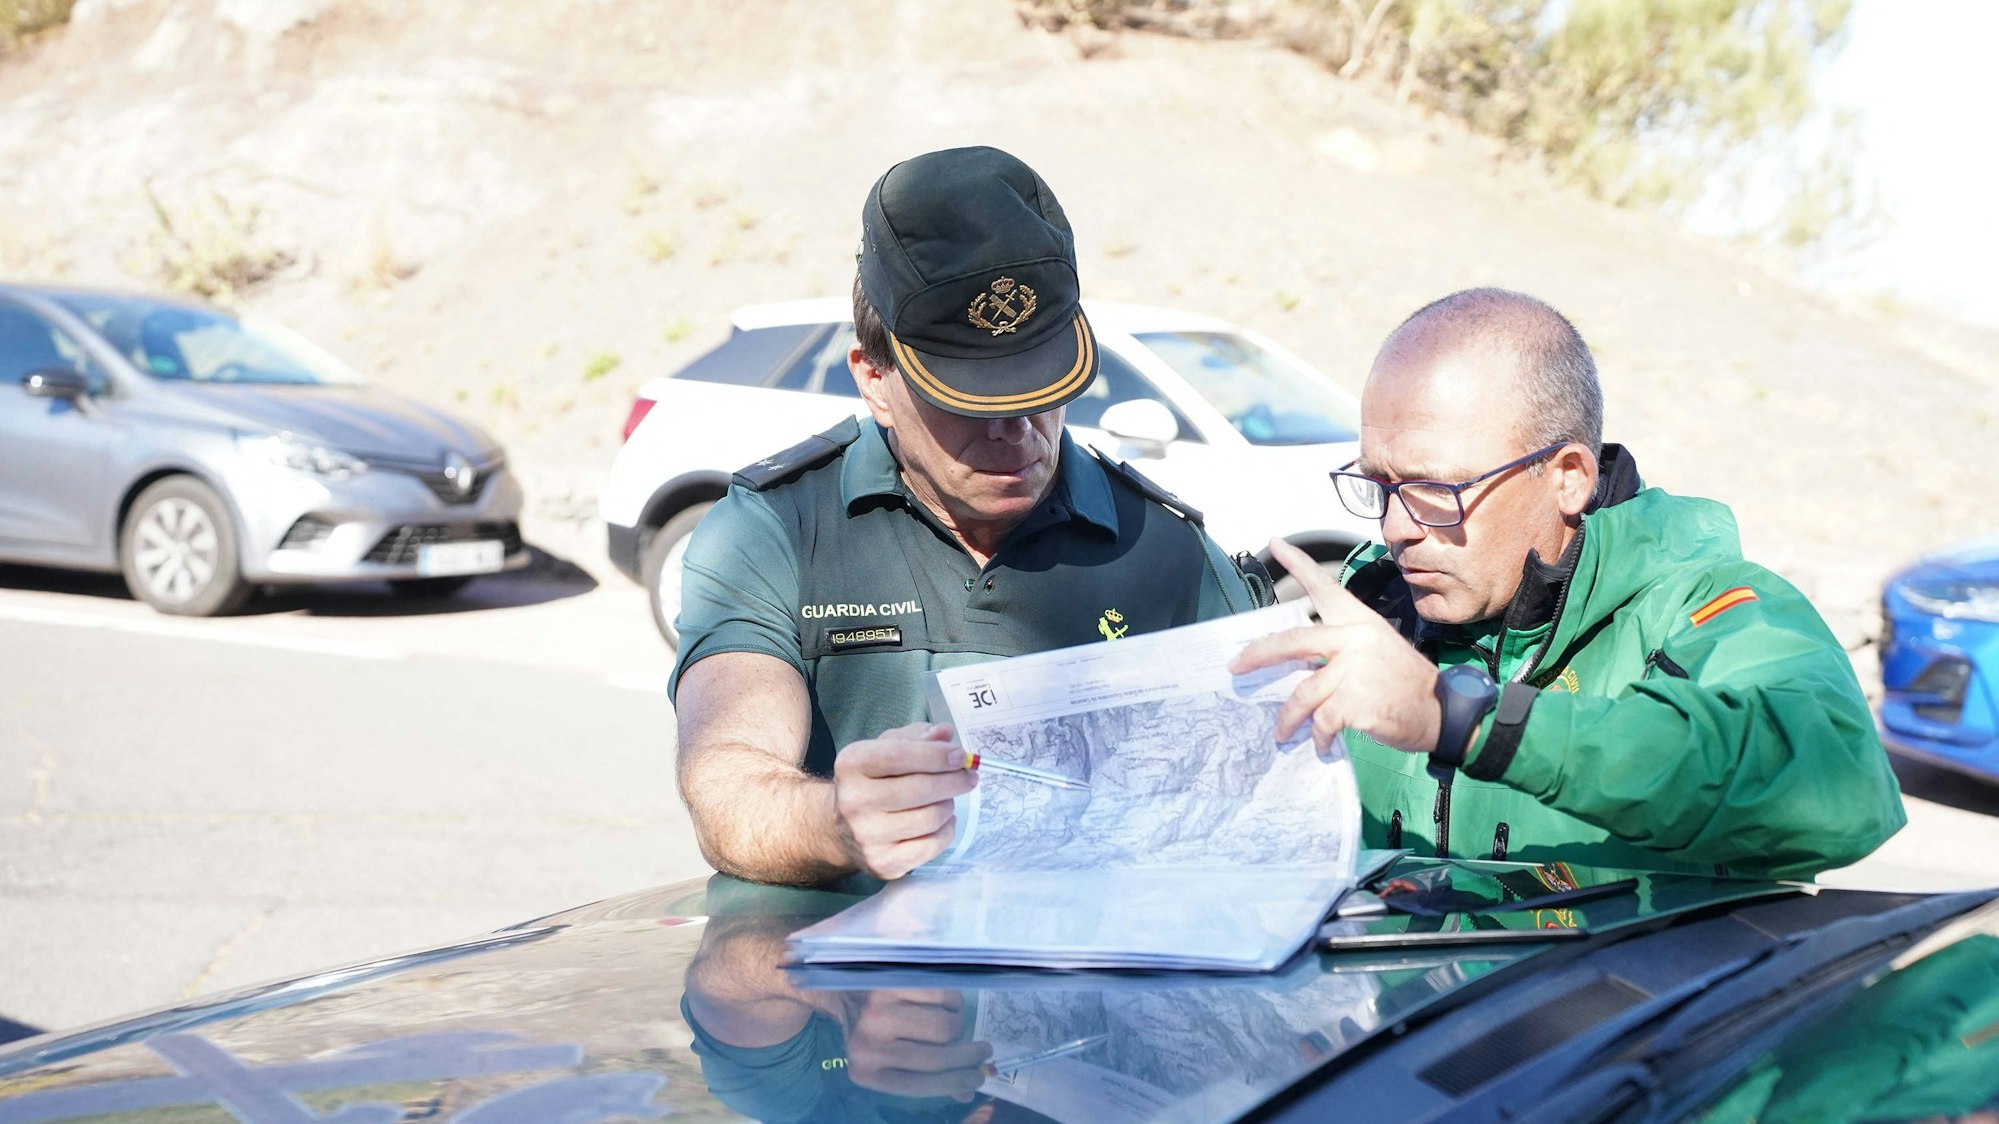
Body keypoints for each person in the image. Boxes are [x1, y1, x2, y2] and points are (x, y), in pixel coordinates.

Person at [670, 146, 1265, 887]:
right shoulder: (773, 532)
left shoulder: (1167, 546)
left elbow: (1254, 796)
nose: (1014, 428)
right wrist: (834, 824)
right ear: (875, 379)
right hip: (848, 990)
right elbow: (726, 785)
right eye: (968, 398)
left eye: (1040, 385)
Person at [1232, 287, 1905, 879]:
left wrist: (1462, 720)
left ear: (1567, 478)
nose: (1395, 527)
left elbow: (1842, 788)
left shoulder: (1702, 608)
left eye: (1435, 489)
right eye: (1378, 485)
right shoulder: (1368, 614)